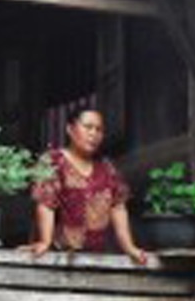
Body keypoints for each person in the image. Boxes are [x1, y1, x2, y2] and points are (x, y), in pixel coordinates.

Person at [26, 107, 148, 265]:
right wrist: (45, 241)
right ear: (70, 129)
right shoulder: (53, 161)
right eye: (88, 127)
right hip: (58, 257)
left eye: (99, 129)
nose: (94, 134)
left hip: (96, 258)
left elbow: (118, 207)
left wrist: (130, 248)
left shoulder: (107, 167)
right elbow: (46, 203)